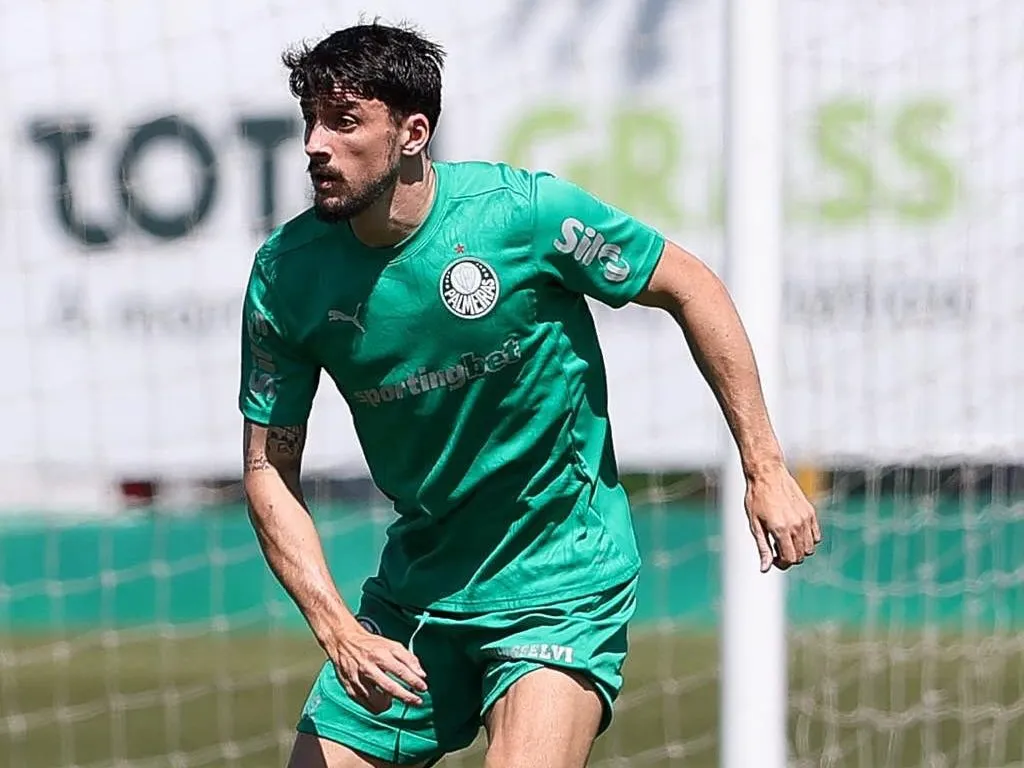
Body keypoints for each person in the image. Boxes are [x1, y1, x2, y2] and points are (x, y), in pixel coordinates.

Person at [239, 20, 821, 768]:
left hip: (560, 576)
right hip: (418, 592)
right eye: (310, 120)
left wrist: (765, 465)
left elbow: (690, 285)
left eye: (343, 122)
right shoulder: (287, 274)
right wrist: (338, 629)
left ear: (414, 132)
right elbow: (267, 471)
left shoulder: (522, 215)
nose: (315, 143)